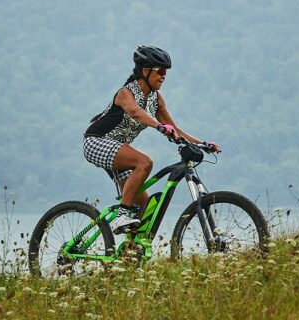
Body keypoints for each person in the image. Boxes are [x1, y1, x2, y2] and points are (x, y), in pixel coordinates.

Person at [83, 45, 221, 233]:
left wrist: (202, 144)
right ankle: (122, 214)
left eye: (166, 73)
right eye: (161, 71)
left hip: (118, 150)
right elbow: (135, 112)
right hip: (96, 142)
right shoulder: (126, 93)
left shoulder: (156, 99)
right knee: (145, 162)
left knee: (144, 210)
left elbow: (176, 129)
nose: (164, 76)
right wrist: (159, 126)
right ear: (146, 71)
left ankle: (128, 257)